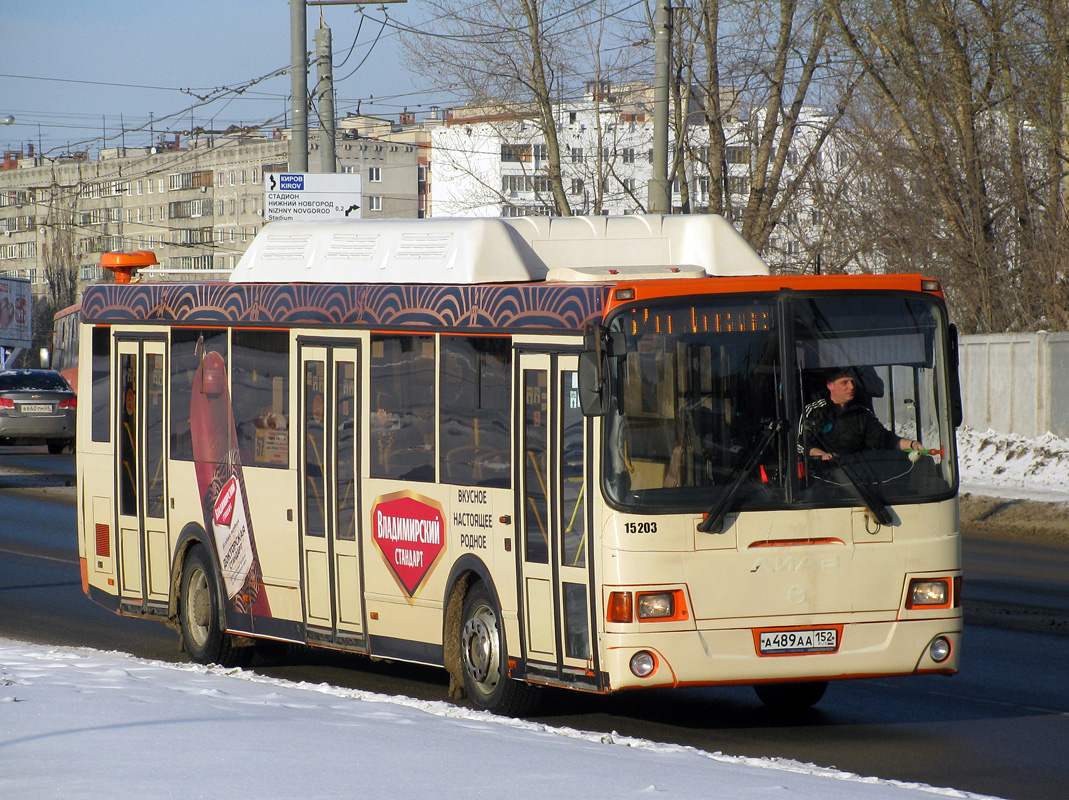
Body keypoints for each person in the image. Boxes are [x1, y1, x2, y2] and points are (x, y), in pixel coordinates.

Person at [801, 368, 921, 460]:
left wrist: (912, 444)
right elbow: (802, 444)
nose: (851, 387)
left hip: (859, 476)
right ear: (830, 385)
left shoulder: (862, 414)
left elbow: (884, 439)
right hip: (823, 479)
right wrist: (824, 456)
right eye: (845, 383)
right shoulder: (814, 411)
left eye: (853, 382)